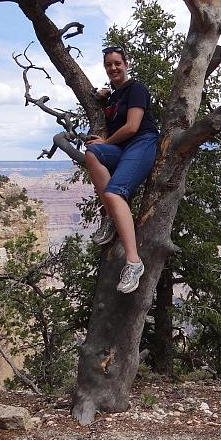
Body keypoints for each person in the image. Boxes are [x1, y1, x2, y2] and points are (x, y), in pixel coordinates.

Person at [85, 46, 159, 294]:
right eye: (109, 65)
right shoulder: (115, 95)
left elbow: (132, 126)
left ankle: (134, 263)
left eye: (117, 63)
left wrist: (106, 142)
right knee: (92, 153)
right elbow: (111, 103)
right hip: (123, 149)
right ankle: (113, 217)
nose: (113, 68)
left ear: (126, 64)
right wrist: (103, 95)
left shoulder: (137, 89)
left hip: (141, 143)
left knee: (116, 192)